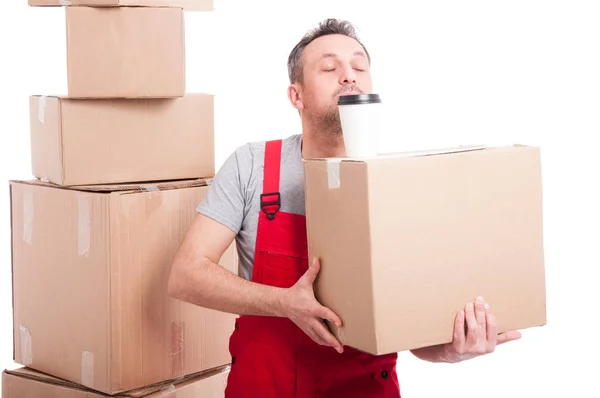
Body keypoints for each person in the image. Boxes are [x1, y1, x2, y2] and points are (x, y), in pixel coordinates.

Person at [167, 18, 522, 398]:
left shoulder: (398, 183)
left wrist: (452, 350)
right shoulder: (253, 166)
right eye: (330, 68)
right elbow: (186, 275)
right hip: (266, 386)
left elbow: (408, 328)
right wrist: (283, 302)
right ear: (296, 95)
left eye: (359, 67)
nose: (349, 76)